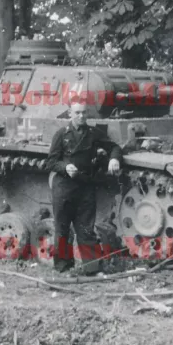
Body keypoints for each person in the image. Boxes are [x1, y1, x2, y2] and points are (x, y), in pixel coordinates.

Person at [46, 98, 122, 275]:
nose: (81, 116)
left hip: (85, 186)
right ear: (70, 113)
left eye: (84, 112)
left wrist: (114, 158)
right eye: (77, 112)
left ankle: (92, 268)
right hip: (64, 187)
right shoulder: (61, 134)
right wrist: (65, 167)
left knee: (86, 228)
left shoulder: (93, 133)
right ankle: (63, 267)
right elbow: (50, 162)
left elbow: (114, 147)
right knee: (62, 228)